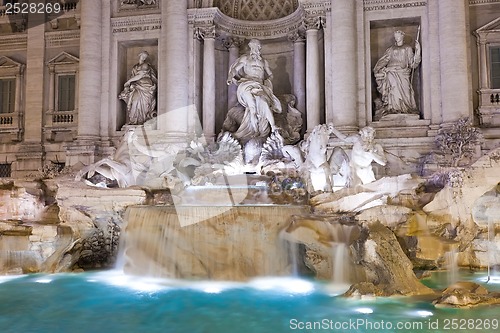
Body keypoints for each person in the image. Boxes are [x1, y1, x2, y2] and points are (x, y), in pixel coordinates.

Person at [226, 39, 282, 141]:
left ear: (259, 48)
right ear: (250, 47)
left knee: (264, 103)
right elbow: (235, 69)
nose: (255, 48)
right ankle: (255, 131)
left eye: (257, 46)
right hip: (247, 84)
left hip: (259, 85)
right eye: (253, 46)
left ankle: (273, 126)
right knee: (252, 107)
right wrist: (230, 77)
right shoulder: (245, 58)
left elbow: (270, 74)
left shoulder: (263, 61)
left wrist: (268, 81)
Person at [373, 30, 421, 118]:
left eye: (398, 36)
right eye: (395, 36)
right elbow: (384, 60)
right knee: (393, 89)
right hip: (391, 71)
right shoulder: (391, 49)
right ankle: (393, 108)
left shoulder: (408, 48)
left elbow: (412, 64)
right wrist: (377, 68)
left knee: (406, 91)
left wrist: (417, 52)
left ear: (402, 37)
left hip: (403, 73)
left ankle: (405, 108)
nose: (397, 38)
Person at [119, 51, 157, 125]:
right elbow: (133, 77)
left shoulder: (146, 65)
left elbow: (140, 76)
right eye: (143, 56)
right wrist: (130, 85)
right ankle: (134, 120)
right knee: (135, 101)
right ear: (139, 55)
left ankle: (143, 120)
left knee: (145, 104)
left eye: (145, 57)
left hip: (146, 87)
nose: (144, 58)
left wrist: (128, 81)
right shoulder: (135, 67)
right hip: (137, 86)